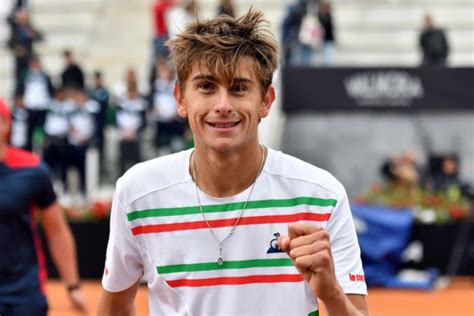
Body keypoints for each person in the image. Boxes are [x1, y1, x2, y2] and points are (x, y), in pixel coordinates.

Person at [98, 10, 368, 315]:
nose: (223, 106)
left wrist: (331, 293)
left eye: (239, 88)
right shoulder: (137, 193)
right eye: (206, 87)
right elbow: (114, 308)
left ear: (266, 100)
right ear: (180, 99)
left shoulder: (321, 196)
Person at [0, 98, 88, 315]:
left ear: (6, 125)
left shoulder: (32, 170)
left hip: (24, 292)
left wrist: (72, 285)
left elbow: (57, 230)